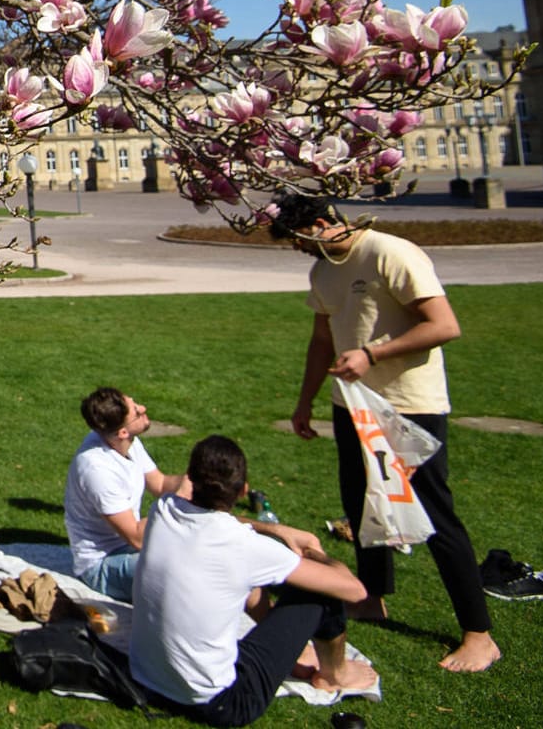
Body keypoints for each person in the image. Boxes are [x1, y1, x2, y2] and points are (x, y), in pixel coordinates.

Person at [270, 194, 499, 672]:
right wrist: (304, 400)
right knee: (360, 505)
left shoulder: (391, 253)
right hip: (352, 406)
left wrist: (371, 355)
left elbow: (444, 325)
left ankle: (479, 634)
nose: (300, 250)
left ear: (321, 222)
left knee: (435, 515)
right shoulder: (323, 270)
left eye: (299, 240)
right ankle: (372, 597)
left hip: (408, 406)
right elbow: (322, 341)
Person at [130, 435, 377, 727]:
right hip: (223, 702)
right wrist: (315, 553)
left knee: (239, 579)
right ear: (243, 490)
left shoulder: (164, 510)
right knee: (319, 595)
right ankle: (335, 675)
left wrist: (275, 529)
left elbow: (219, 523)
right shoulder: (245, 547)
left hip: (148, 679)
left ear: (191, 479)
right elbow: (353, 589)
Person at [64, 387, 187, 601]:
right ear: (122, 432)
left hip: (129, 547)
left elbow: (159, 483)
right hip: (102, 564)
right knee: (186, 574)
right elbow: (136, 537)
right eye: (137, 412)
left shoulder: (126, 442)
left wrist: (198, 481)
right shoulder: (97, 470)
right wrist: (180, 501)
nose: (143, 408)